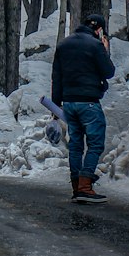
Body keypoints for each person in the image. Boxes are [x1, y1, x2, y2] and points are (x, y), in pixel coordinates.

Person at [51, 12, 116, 202]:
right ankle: (85, 186)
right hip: (89, 103)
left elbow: (56, 77)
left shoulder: (63, 45)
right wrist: (105, 50)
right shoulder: (96, 45)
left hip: (69, 103)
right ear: (100, 29)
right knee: (95, 143)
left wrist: (55, 108)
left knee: (76, 145)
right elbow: (109, 72)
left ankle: (76, 185)